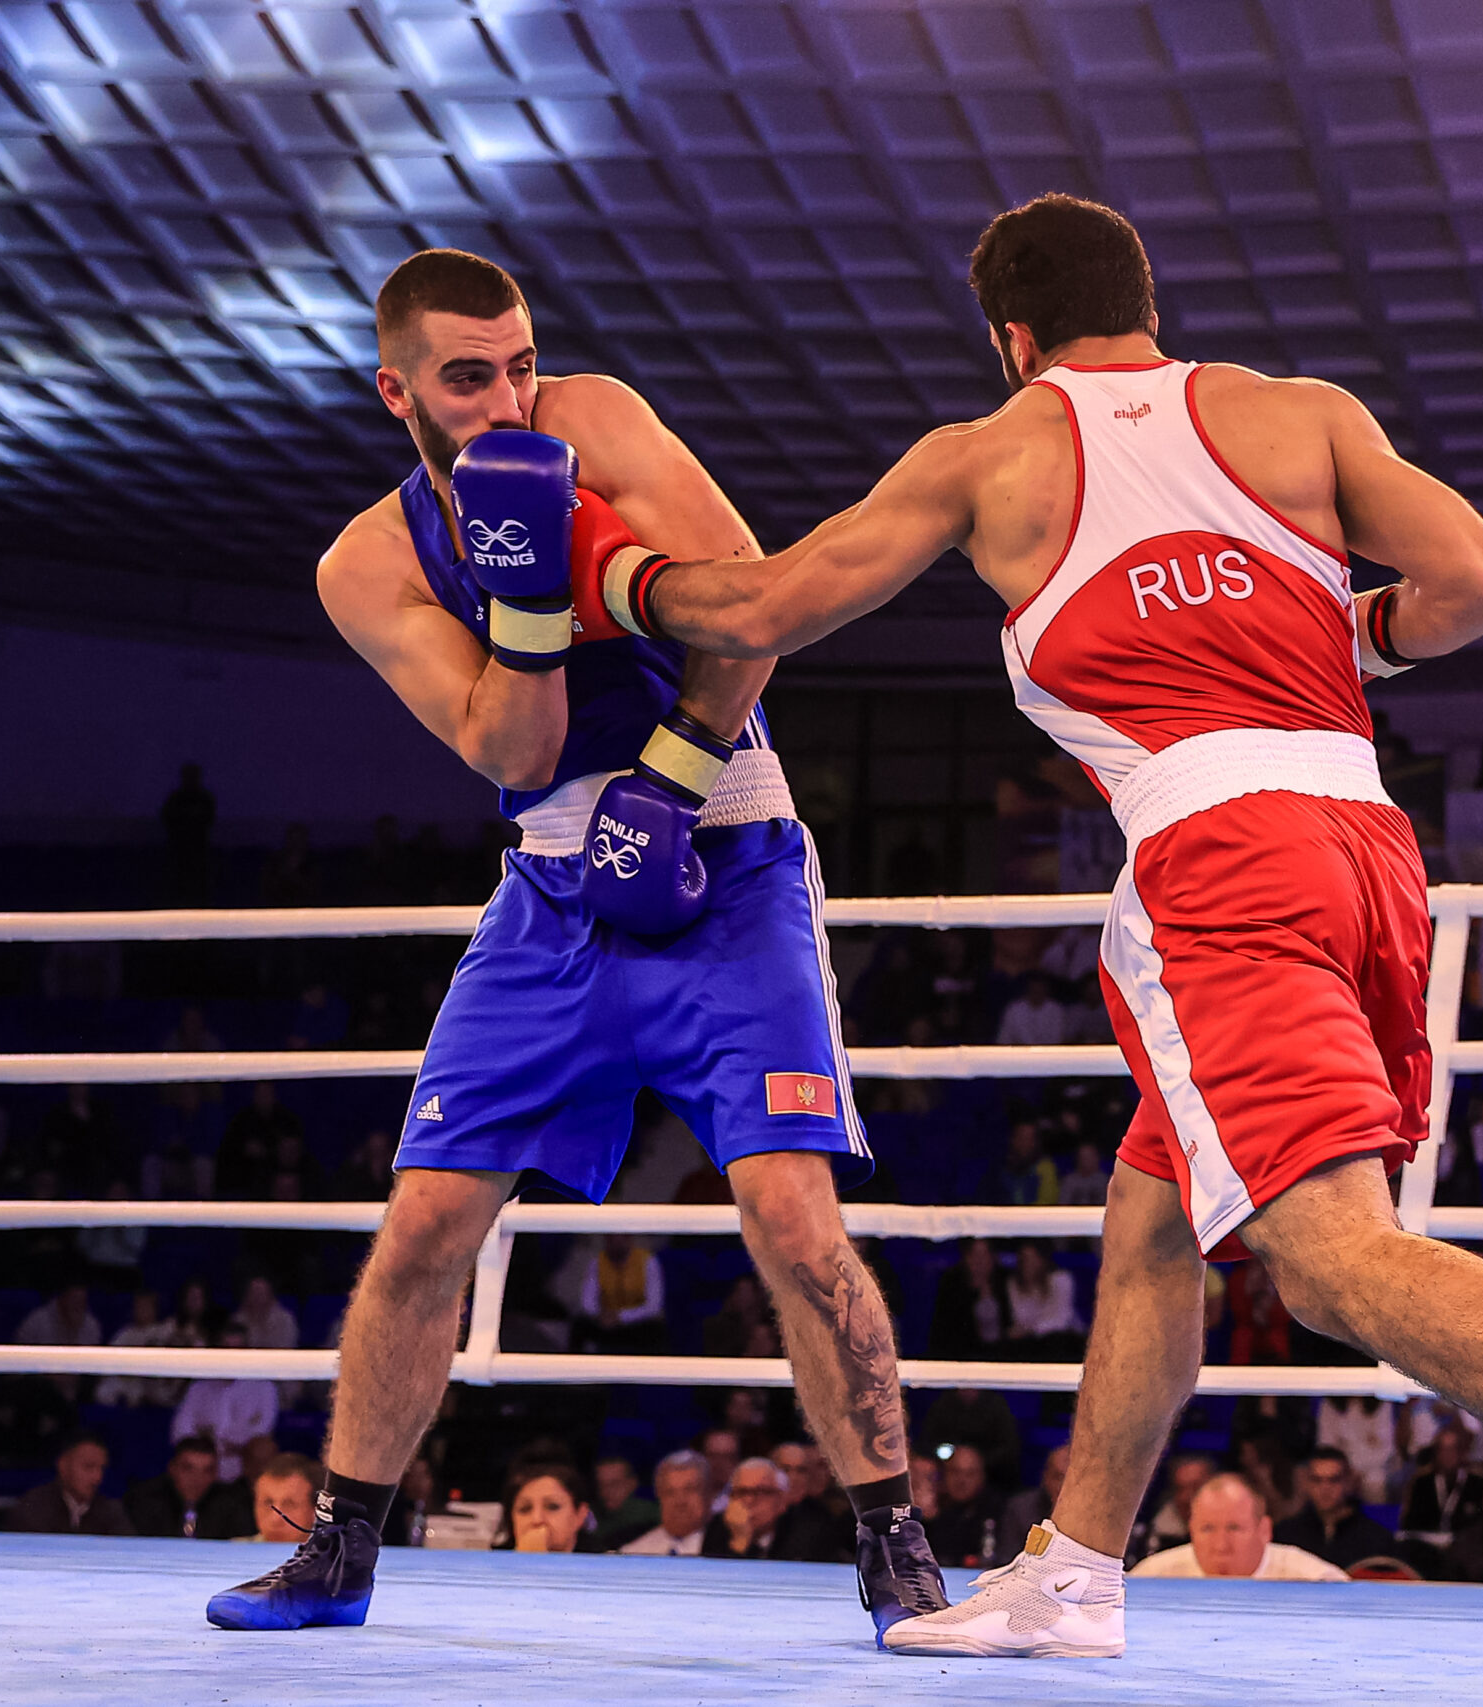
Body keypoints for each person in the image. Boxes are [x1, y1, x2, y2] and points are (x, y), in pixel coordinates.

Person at [585, 193, 1483, 1692]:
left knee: (1327, 1259)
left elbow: (762, 604)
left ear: (1012, 336)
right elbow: (1481, 581)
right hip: (1365, 844)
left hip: (1217, 858)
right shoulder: (1300, 413)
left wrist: (598, 569)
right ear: (1144, 303)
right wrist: (1339, 637)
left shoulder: (986, 453)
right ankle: (1075, 1571)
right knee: (1152, 1220)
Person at [208, 249, 942, 1640]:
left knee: (792, 1212)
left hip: (727, 849)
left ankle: (893, 1538)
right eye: (467, 377)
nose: (507, 399)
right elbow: (510, 748)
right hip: (552, 886)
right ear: (396, 391)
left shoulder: (595, 420)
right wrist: (529, 592)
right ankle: (341, 1546)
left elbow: (751, 611)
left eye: (520, 363)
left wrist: (671, 774)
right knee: (424, 1221)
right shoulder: (366, 564)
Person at [1127, 1472, 1347, 1581]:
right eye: (1207, 1529)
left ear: (1264, 1531)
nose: (1221, 1545)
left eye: (1234, 1528)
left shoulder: (1314, 1580)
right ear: (1191, 1530)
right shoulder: (1152, 1579)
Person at [170, 1320, 277, 1482]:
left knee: (262, 1450)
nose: (232, 1357)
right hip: (205, 1465)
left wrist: (235, 1444)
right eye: (227, 1349)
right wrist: (210, 1447)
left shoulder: (263, 1387)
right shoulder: (199, 1388)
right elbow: (181, 1429)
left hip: (244, 1466)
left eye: (238, 1350)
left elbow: (263, 1429)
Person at [1274, 1448, 1398, 1572]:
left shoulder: (1375, 1538)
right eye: (1317, 1480)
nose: (1325, 1488)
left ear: (1348, 1482)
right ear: (1307, 1484)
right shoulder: (1286, 1535)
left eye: (1334, 1480)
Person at [704, 1458, 848, 1563]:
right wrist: (739, 1542)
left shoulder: (809, 1533)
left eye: (760, 1491)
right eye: (741, 1492)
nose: (749, 1501)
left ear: (782, 1501)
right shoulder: (717, 1527)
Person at [6, 1434, 132, 1536]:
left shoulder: (110, 1510)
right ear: (63, 1465)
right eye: (88, 1467)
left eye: (101, 1469)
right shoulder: (34, 1507)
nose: (97, 1477)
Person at [126, 1437, 248, 1540]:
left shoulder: (230, 1503)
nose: (197, 1479)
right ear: (172, 1469)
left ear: (216, 1474)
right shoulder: (145, 1500)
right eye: (188, 1468)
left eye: (207, 1471)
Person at [924, 1444, 1007, 1568]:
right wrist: (926, 1522)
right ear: (943, 1474)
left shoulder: (998, 1512)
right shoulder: (929, 1512)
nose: (962, 1480)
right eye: (955, 1472)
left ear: (982, 1477)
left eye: (970, 1474)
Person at [618, 1451, 713, 1558]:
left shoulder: (724, 1549)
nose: (680, 1501)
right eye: (670, 1492)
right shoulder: (632, 1553)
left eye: (690, 1490)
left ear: (708, 1494)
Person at [498, 1464, 591, 1554]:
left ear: (580, 1515)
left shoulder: (599, 1560)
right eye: (525, 1509)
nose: (537, 1519)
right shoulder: (492, 1560)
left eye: (552, 1507)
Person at [243, 1455, 324, 1546]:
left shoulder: (334, 1553)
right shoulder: (235, 1550)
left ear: (317, 1511)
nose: (275, 1519)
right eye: (267, 1504)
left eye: (289, 1505)